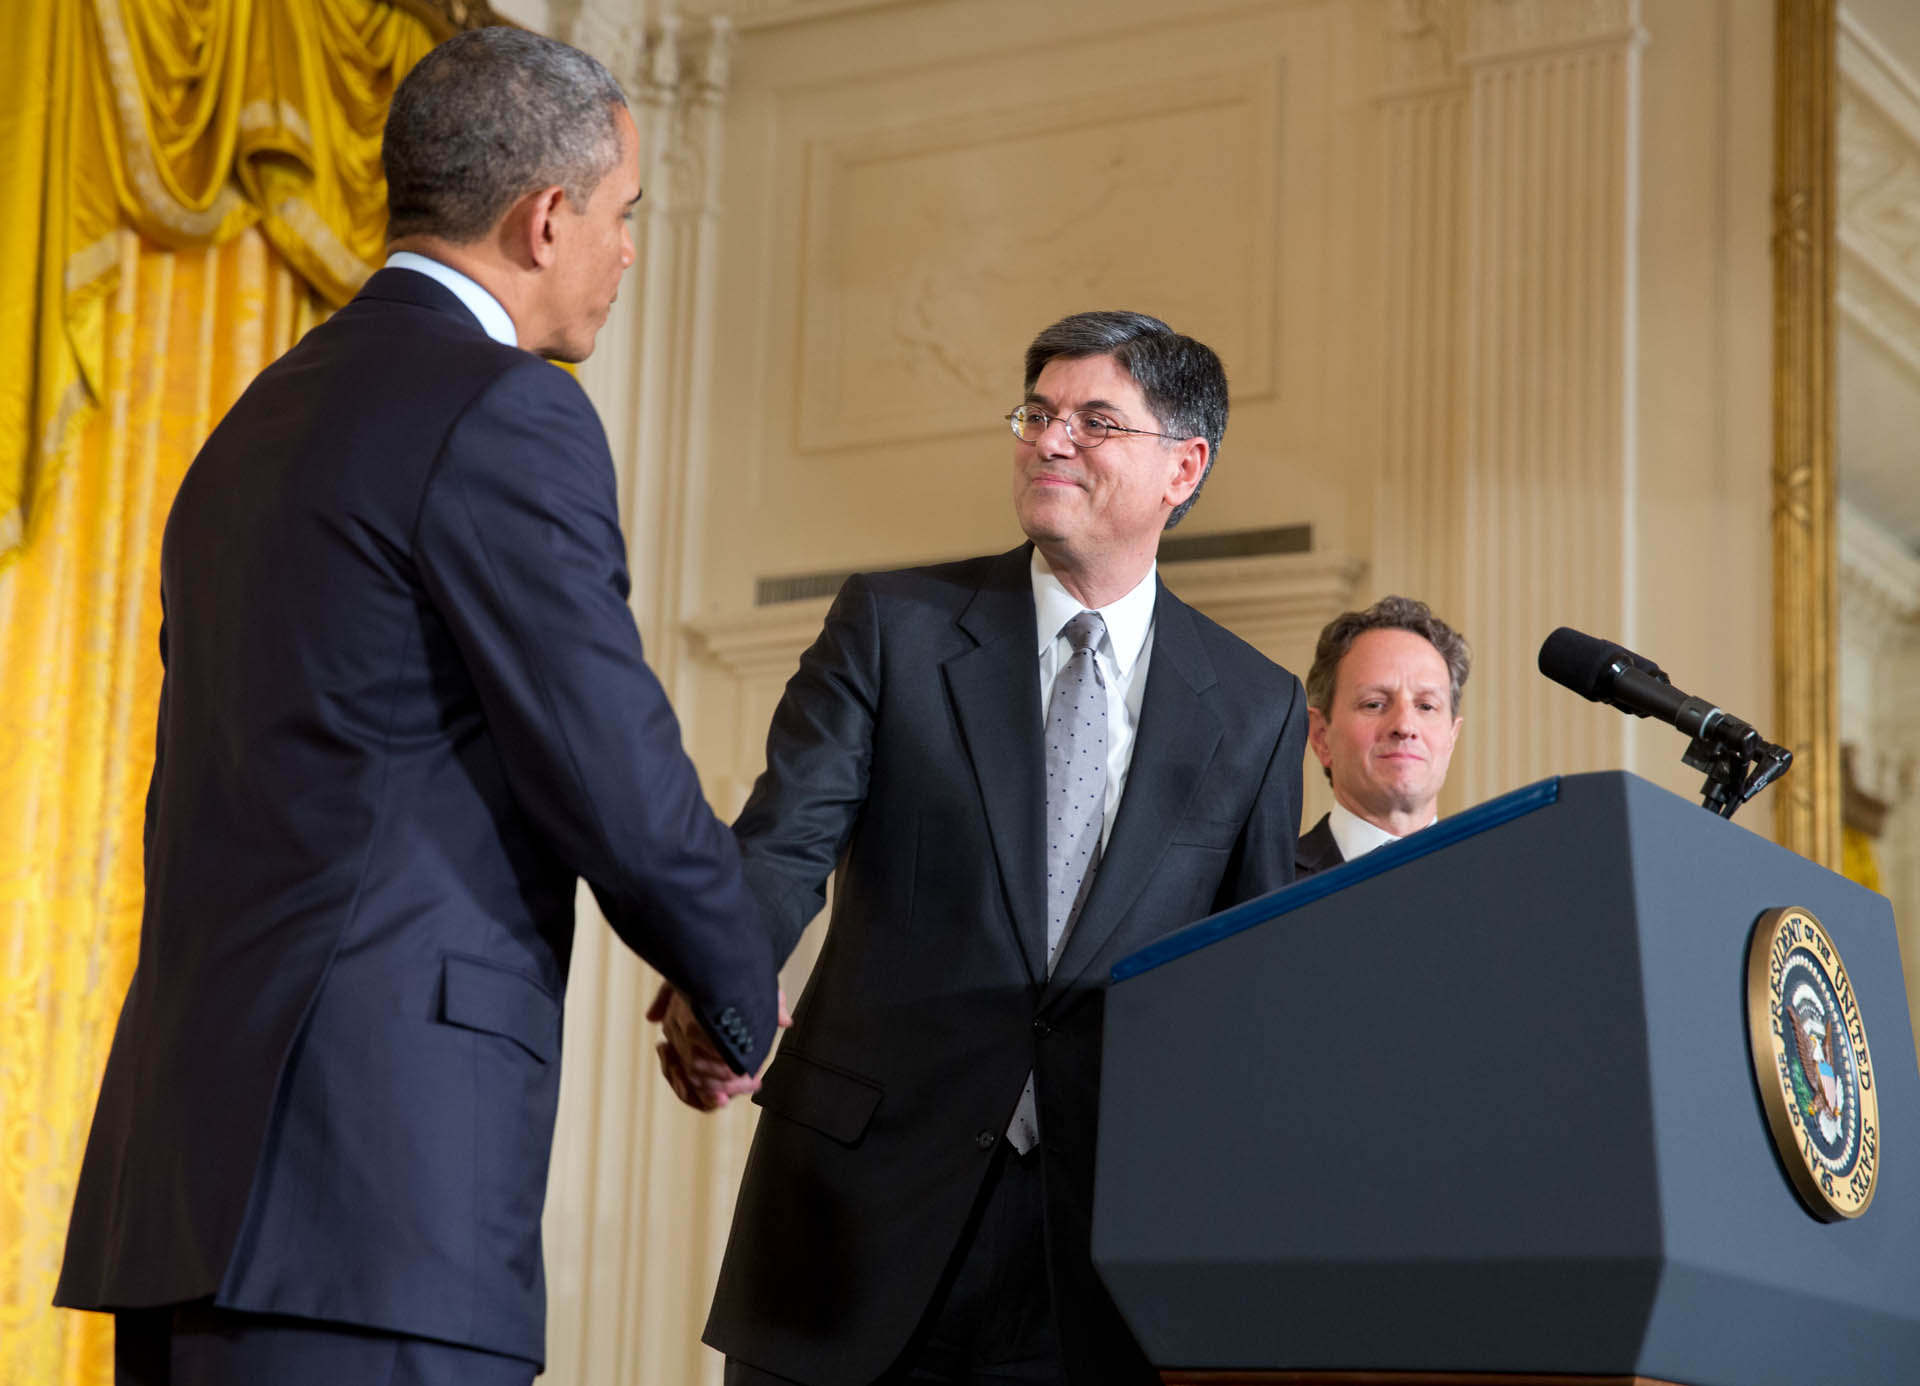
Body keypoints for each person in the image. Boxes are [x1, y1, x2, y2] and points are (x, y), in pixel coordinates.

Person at [55, 28, 778, 1386]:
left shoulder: (250, 424)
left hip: (186, 1189)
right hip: (368, 1194)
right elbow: (604, 758)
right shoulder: (507, 412)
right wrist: (735, 987)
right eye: (623, 218)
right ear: (546, 217)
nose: (627, 254)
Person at [653, 311, 1310, 1385]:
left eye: (1096, 421)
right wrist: (720, 981)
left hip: (1099, 1254)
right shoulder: (893, 625)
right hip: (855, 1222)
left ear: (1183, 467)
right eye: (1038, 414)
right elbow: (782, 846)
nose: (1050, 440)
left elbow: (1246, 990)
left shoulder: (1256, 706)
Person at [1295, 596, 1468, 877]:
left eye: (1426, 706)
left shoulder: (1499, 882)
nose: (1404, 726)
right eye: (1374, 704)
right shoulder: (1264, 887)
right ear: (1320, 736)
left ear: (1452, 737)